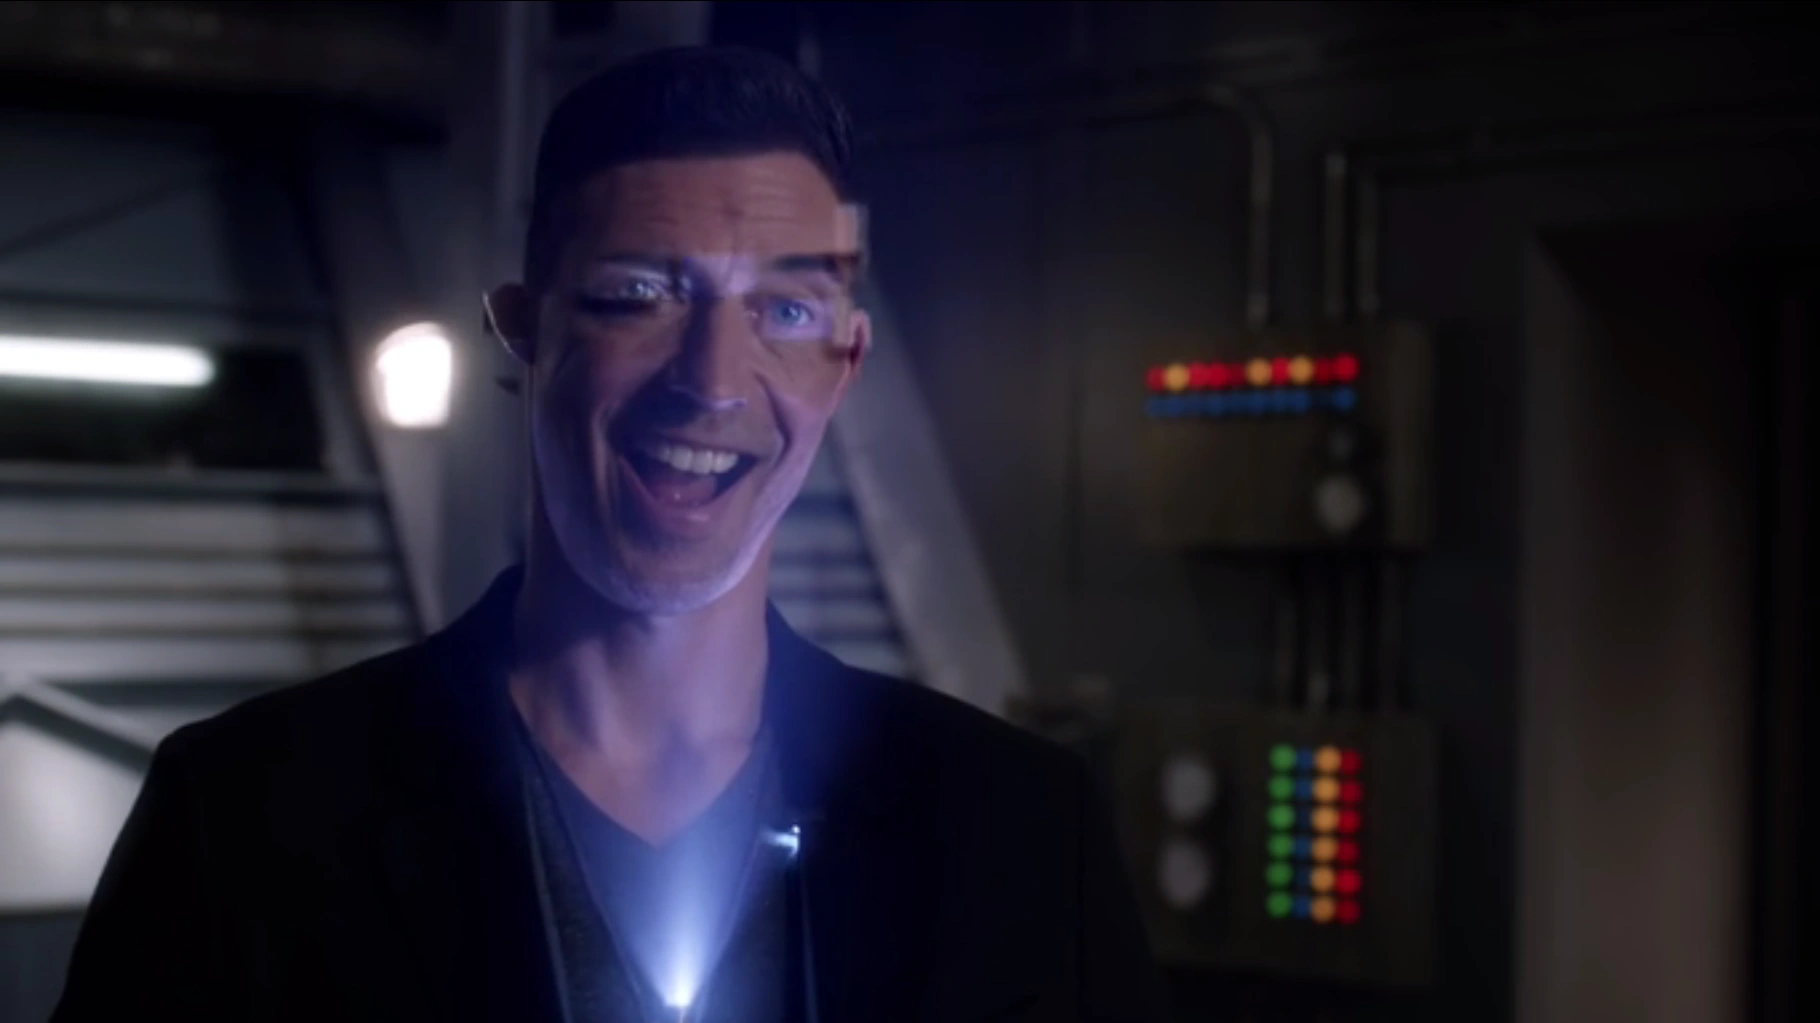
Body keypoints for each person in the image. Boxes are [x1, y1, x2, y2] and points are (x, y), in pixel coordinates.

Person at [52, 45, 1166, 1023]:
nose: (711, 382)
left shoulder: (1019, 829)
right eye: (640, 294)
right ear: (523, 329)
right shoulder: (246, 820)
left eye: (784, 312)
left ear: (844, 364)